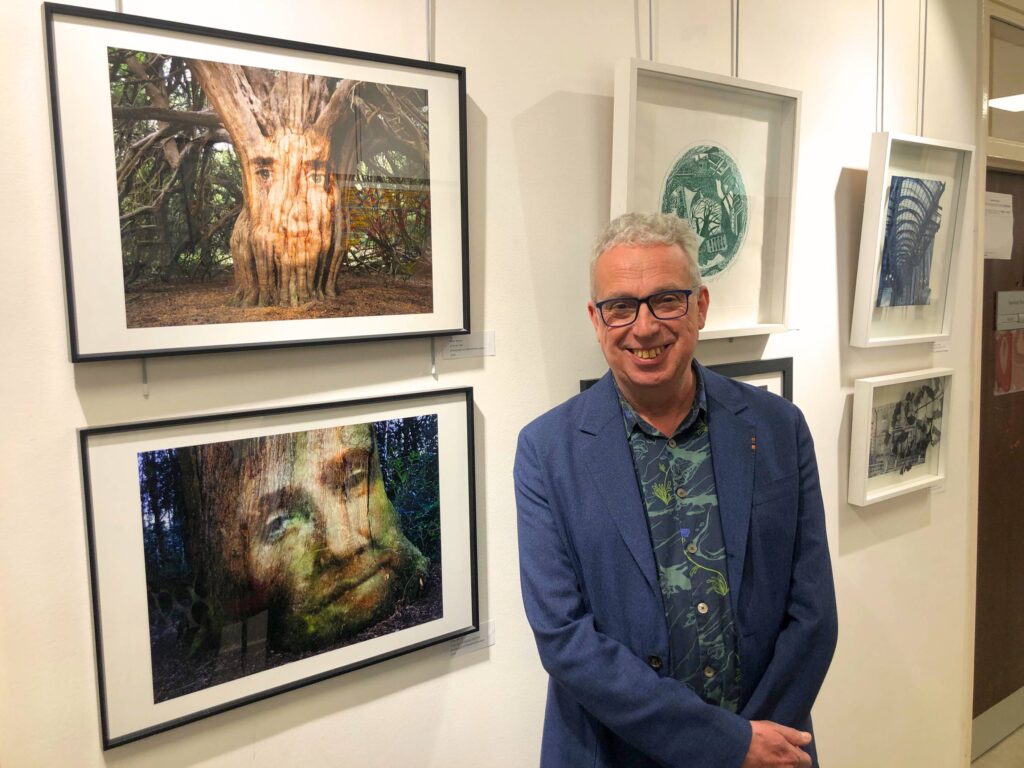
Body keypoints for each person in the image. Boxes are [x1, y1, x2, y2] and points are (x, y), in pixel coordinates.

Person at [514, 212, 837, 767]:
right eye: (620, 306)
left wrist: (755, 748)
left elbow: (813, 613)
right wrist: (726, 745)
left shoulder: (779, 428)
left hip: (770, 747)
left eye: (667, 300)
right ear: (596, 320)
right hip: (615, 753)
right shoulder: (547, 452)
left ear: (700, 307)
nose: (644, 327)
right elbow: (565, 639)